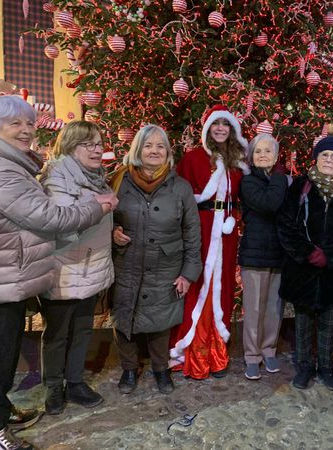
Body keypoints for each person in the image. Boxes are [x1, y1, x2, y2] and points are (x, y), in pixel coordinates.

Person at [0, 96, 115, 450]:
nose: (26, 130)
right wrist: (97, 206)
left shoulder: (2, 163)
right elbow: (52, 218)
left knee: (0, 355)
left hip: (5, 275)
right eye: (14, 123)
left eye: (29, 123)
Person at [110, 125, 201, 394]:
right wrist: (112, 233)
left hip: (166, 265)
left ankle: (161, 369)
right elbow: (101, 218)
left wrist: (188, 273)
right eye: (148, 145)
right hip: (126, 262)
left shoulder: (180, 187)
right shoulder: (118, 180)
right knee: (124, 317)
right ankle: (129, 369)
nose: (154, 151)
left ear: (168, 153)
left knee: (161, 321)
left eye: (160, 146)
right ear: (138, 149)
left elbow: (192, 233)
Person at [39, 121, 114, 415]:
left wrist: (114, 228)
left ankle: (75, 381)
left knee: (83, 329)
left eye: (99, 143)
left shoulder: (97, 177)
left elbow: (98, 215)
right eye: (90, 144)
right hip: (64, 269)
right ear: (71, 146)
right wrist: (101, 207)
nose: (97, 150)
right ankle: (53, 386)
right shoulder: (57, 177)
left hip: (90, 268)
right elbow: (62, 224)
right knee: (57, 334)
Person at [277, 136, 333, 391]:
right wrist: (307, 253)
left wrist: (331, 256)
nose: (328, 160)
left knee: (329, 322)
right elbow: (286, 225)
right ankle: (305, 366)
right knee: (303, 321)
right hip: (302, 270)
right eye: (324, 155)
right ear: (316, 158)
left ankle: (326, 366)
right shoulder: (300, 186)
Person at [170, 105, 248, 380]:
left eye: (226, 125)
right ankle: (193, 350)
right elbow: (180, 198)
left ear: (232, 130)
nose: (220, 129)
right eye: (216, 124)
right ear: (207, 128)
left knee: (223, 286)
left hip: (227, 234)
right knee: (199, 283)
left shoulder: (238, 161)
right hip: (201, 229)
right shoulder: (192, 159)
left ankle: (218, 351)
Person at [238, 133, 289, 380]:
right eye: (258, 151)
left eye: (268, 151)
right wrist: (280, 176)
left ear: (276, 156)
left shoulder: (282, 181)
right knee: (254, 307)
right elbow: (270, 204)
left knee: (273, 308)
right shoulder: (248, 182)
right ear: (251, 156)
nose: (263, 155)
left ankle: (269, 350)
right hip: (254, 254)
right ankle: (251, 356)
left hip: (279, 253)